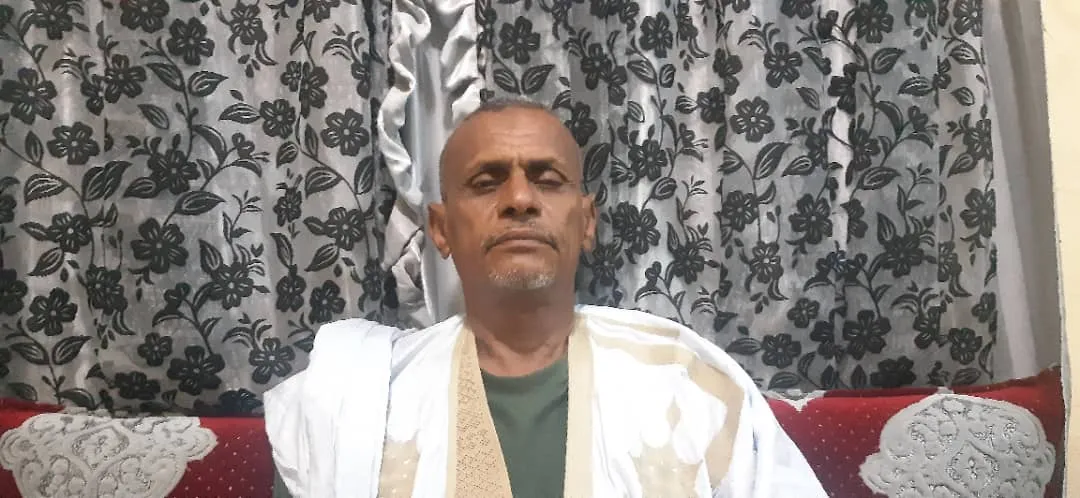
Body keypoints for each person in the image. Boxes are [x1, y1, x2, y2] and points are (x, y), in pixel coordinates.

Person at [263, 98, 827, 497]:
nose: (519, 199)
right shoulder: (348, 403)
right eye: (486, 182)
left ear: (586, 222)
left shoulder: (693, 386)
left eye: (548, 179)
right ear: (440, 228)